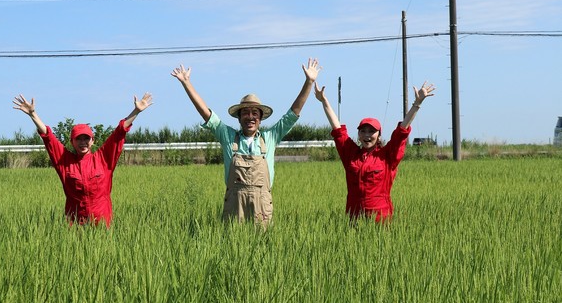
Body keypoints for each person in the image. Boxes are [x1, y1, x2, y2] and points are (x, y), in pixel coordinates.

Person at [171, 58, 322, 227]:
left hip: (262, 205)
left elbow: (293, 114)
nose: (250, 117)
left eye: (254, 113)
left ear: (260, 117)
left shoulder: (270, 137)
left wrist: (309, 82)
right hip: (235, 205)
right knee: (233, 246)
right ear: (239, 117)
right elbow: (205, 113)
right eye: (246, 113)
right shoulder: (227, 136)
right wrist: (186, 83)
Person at [12, 92, 153, 227]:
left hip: (102, 222)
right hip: (75, 224)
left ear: (92, 141)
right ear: (72, 142)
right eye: (78, 139)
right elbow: (49, 138)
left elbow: (119, 133)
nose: (83, 142)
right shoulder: (64, 161)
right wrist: (33, 114)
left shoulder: (104, 158)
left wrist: (136, 112)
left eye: (86, 138)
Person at [314, 80, 435, 222]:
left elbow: (402, 131)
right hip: (354, 219)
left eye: (371, 131)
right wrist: (324, 101)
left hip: (381, 220)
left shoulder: (387, 156)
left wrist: (417, 104)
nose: (367, 135)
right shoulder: (351, 154)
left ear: (378, 135)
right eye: (363, 131)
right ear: (358, 134)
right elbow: (338, 130)